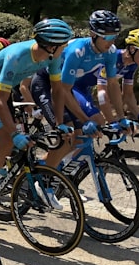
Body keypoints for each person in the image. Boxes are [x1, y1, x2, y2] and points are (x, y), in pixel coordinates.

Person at [0, 17, 74, 196]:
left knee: (10, 140)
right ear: (51, 46)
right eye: (63, 45)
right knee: (7, 136)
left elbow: (58, 91)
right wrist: (13, 133)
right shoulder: (17, 55)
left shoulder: (52, 57)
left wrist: (59, 123)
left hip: (4, 91)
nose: (65, 48)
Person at [29, 9, 130, 169]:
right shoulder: (77, 52)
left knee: (81, 135)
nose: (111, 42)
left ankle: (59, 174)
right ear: (93, 34)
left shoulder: (109, 52)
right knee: (67, 135)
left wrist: (121, 117)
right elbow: (63, 90)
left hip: (67, 87)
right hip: (46, 84)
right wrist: (84, 120)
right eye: (107, 36)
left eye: (115, 36)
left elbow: (112, 84)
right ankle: (43, 178)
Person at [98, 28, 139, 126]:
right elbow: (102, 93)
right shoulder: (113, 57)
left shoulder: (132, 65)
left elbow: (128, 94)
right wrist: (112, 121)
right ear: (132, 49)